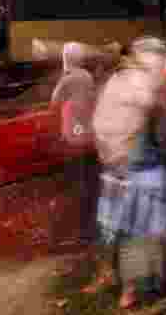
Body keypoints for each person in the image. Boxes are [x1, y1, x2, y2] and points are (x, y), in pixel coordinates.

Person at [92, 37, 166, 309]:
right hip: (143, 167)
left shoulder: (117, 81)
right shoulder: (159, 85)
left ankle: (131, 289)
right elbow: (165, 131)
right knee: (158, 228)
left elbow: (100, 126)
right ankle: (163, 282)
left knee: (130, 230)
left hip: (117, 168)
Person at [50, 42, 103, 244]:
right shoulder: (87, 76)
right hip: (88, 136)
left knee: (77, 184)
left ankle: (82, 231)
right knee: (91, 182)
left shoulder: (69, 79)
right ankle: (92, 226)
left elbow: (53, 102)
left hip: (74, 138)